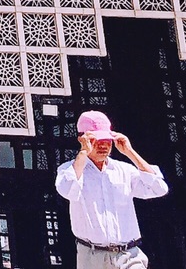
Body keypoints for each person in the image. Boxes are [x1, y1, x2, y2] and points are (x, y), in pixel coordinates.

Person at [54, 110, 169, 268]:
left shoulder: (124, 170)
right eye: (96, 140)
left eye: (107, 140)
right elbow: (68, 190)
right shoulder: (70, 169)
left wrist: (130, 152)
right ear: (82, 139)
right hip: (92, 255)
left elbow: (159, 188)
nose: (103, 145)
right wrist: (83, 153)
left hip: (129, 254)